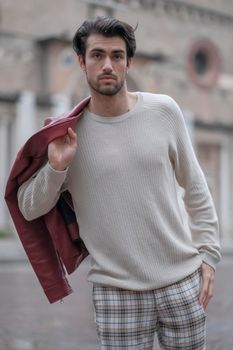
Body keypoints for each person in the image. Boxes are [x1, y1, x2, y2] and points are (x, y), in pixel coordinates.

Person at [17, 16, 221, 350]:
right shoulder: (67, 135)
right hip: (116, 294)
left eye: (116, 55)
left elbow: (196, 189)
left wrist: (209, 256)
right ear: (82, 62)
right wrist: (56, 168)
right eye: (97, 55)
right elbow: (29, 207)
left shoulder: (164, 111)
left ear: (129, 62)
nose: (107, 64)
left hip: (182, 285)